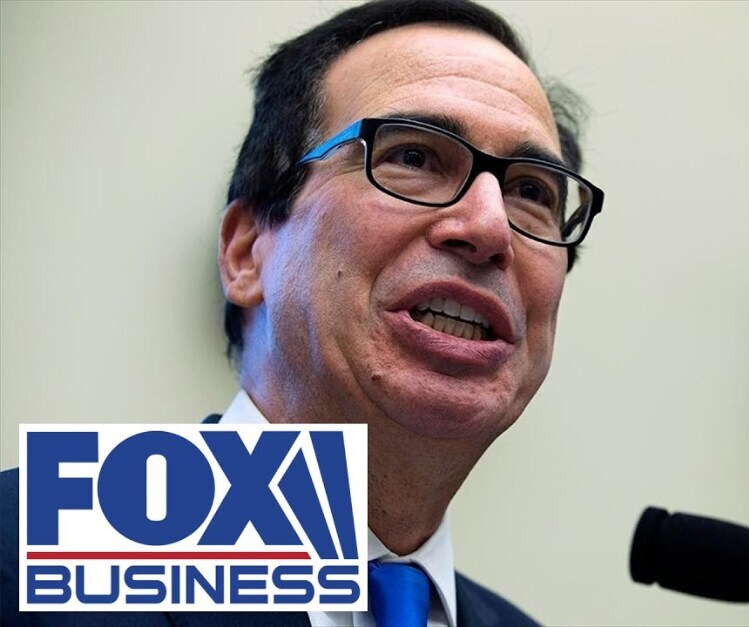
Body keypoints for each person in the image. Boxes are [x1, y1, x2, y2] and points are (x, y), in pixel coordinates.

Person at [0, 0, 603, 625]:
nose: (489, 227)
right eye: (413, 158)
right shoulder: (23, 556)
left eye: (531, 192)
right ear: (246, 253)